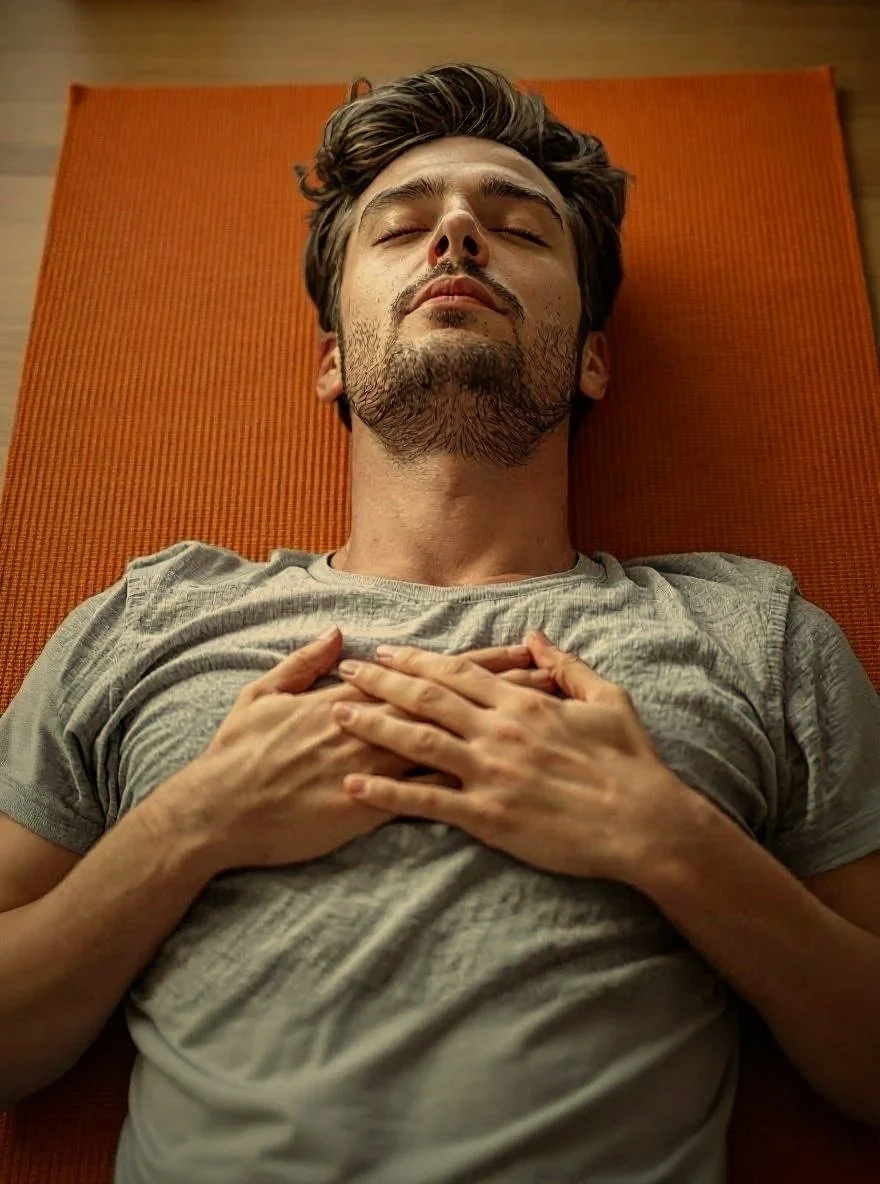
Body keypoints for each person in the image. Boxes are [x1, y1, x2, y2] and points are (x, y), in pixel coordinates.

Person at [1, 63, 878, 1184]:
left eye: (516, 227)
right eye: (402, 226)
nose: (457, 234)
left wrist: (667, 839)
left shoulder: (756, 632)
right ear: (329, 361)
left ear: (592, 359)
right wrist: (190, 826)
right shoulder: (152, 616)